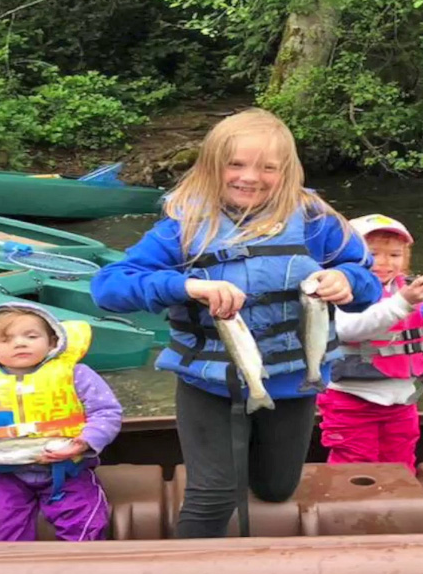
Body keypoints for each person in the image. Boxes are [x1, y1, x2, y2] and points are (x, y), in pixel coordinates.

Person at [90, 108, 381, 538]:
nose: (251, 177)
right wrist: (187, 287)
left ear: (288, 171)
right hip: (209, 381)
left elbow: (368, 282)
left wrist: (347, 281)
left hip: (294, 379)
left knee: (278, 489)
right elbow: (108, 288)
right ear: (213, 166)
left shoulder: (317, 222)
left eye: (268, 167)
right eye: (236, 164)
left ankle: (248, 452)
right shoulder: (183, 227)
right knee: (214, 495)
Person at [0, 303, 122, 541]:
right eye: (6, 340)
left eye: (31, 336)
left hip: (68, 471)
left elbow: (107, 412)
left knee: (85, 521)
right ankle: (12, 573)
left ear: (52, 342)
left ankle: (78, 568)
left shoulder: (78, 374)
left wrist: (85, 442)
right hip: (2, 474)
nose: (20, 343)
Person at [319, 214, 423, 474]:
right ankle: (353, 512)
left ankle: (398, 509)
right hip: (350, 400)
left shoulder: (407, 292)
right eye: (373, 254)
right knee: (354, 466)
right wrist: (403, 303)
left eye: (394, 255)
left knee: (401, 463)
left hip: (402, 401)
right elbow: (348, 329)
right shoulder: (342, 292)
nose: (384, 263)